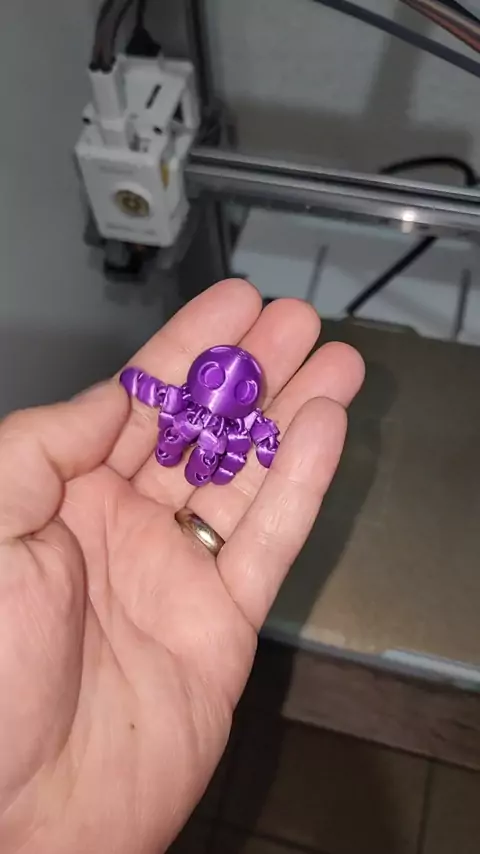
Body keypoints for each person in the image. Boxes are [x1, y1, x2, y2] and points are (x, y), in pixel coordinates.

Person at [0, 279, 364, 853]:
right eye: (216, 377)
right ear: (201, 376)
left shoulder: (235, 421)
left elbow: (252, 435)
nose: (224, 391)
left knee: (213, 459)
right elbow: (154, 392)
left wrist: (263, 441)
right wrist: (137, 391)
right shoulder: (191, 404)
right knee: (178, 446)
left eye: (236, 387)